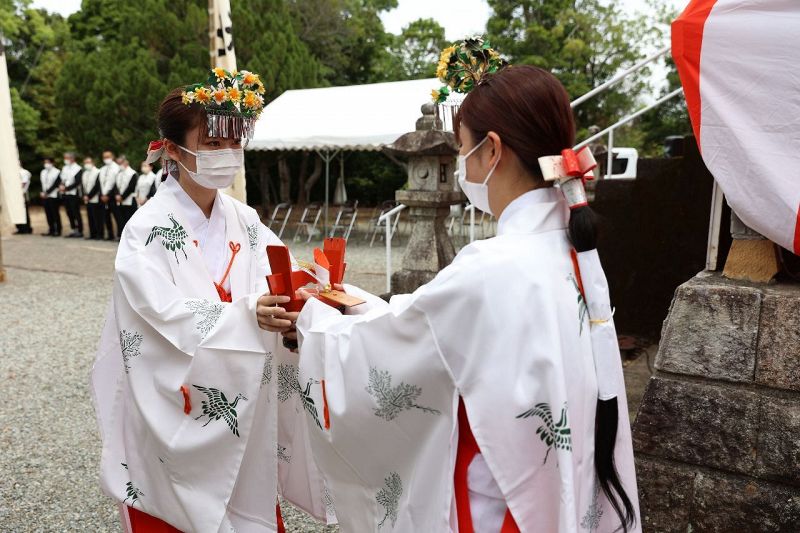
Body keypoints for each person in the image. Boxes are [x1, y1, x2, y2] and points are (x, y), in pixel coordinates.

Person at [293, 50, 640, 532]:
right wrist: (351, 302)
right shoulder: (570, 249)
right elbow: (426, 322)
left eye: (461, 147)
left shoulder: (492, 267)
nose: (460, 163)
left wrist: (312, 322)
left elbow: (391, 349)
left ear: (491, 150)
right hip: (562, 478)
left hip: (500, 500)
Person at [91, 68, 328, 533]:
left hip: (242, 396)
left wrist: (304, 294)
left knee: (245, 495)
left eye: (233, 142)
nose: (227, 154)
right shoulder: (146, 228)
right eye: (213, 143)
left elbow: (279, 274)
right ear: (174, 150)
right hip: (180, 392)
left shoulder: (245, 219)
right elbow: (156, 313)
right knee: (176, 503)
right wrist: (244, 314)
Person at [60, 151, 84, 238]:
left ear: (72, 158)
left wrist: (66, 188)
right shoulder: (65, 168)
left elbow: (77, 182)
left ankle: (80, 230)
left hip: (74, 194)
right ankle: (73, 229)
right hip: (65, 193)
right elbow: (62, 179)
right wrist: (62, 186)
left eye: (67, 158)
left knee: (75, 212)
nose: (65, 160)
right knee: (69, 212)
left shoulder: (78, 168)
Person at [114, 155, 138, 234]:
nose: (119, 165)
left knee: (129, 219)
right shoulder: (119, 173)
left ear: (125, 163)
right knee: (121, 219)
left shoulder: (132, 173)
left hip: (129, 200)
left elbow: (131, 187)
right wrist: (117, 195)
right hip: (120, 200)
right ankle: (121, 235)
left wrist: (122, 197)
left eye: (120, 163)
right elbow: (116, 185)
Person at [99, 150, 119, 241]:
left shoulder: (117, 168)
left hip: (112, 197)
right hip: (103, 197)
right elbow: (100, 183)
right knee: (106, 216)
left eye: (108, 157)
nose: (106, 159)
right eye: (104, 157)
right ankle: (110, 234)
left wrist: (108, 195)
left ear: (112, 157)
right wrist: (102, 195)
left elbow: (116, 184)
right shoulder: (102, 169)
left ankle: (119, 234)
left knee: (117, 216)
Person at [39, 157, 62, 237]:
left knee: (55, 213)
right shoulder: (43, 172)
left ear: (52, 163)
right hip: (45, 196)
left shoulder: (57, 172)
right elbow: (42, 183)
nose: (46, 164)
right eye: (45, 162)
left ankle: (58, 230)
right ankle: (51, 229)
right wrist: (42, 192)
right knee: (48, 213)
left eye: (48, 162)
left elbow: (56, 184)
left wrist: (47, 192)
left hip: (53, 195)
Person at [82, 156, 103, 240]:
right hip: (87, 198)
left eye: (88, 162)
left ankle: (99, 234)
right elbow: (83, 185)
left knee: (97, 217)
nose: (87, 164)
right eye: (85, 163)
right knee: (90, 217)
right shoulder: (85, 173)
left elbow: (97, 186)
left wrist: (89, 196)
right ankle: (92, 233)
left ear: (93, 163)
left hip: (95, 198)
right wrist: (85, 195)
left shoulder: (98, 172)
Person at [14, 161, 32, 234]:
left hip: (22, 194)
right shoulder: (14, 172)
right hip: (15, 195)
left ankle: (26, 228)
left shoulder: (24, 172)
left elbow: (24, 183)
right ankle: (19, 228)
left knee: (24, 212)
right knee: (16, 212)